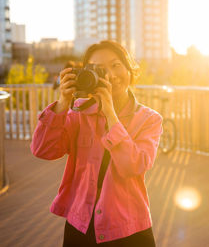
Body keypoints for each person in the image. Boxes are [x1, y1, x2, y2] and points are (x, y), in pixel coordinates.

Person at [30, 40, 163, 246]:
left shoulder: (149, 119)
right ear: (87, 74)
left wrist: (110, 113)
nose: (109, 75)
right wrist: (63, 103)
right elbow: (42, 150)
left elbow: (133, 165)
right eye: (99, 69)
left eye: (116, 65)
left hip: (129, 227)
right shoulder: (78, 113)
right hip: (81, 225)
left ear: (129, 70)